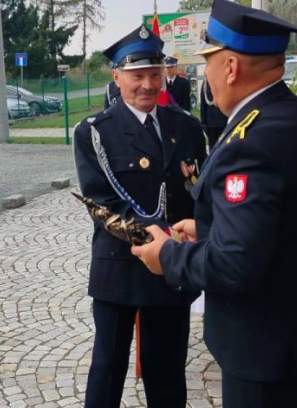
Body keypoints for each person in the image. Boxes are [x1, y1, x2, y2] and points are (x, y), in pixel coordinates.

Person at [132, 0, 297, 408]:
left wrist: (168, 257)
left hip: (263, 343)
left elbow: (236, 263)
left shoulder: (251, 142)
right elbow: (286, 220)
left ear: (230, 67)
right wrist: (210, 228)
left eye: (208, 61)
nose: (207, 74)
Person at [73, 24, 207, 408]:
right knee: (108, 367)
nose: (148, 85)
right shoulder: (95, 133)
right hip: (119, 265)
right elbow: (102, 204)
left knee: (167, 369)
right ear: (117, 77)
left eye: (154, 74)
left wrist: (191, 242)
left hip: (171, 267)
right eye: (137, 76)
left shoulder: (186, 127)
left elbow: (198, 192)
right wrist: (157, 240)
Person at [200, 78, 228, 146]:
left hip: (224, 121)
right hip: (211, 122)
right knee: (213, 147)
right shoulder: (205, 84)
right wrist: (203, 122)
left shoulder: (225, 81)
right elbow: (203, 104)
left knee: (224, 146)